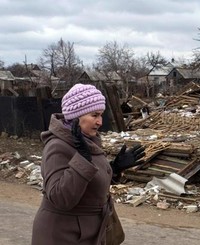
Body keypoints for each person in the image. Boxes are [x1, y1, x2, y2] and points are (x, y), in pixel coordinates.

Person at [31, 83, 145, 245]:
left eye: (101, 115)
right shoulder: (57, 146)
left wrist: (114, 168)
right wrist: (83, 159)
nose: (99, 122)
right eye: (94, 115)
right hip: (62, 234)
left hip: (88, 231)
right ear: (77, 116)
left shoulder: (87, 141)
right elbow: (60, 197)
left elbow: (88, 181)